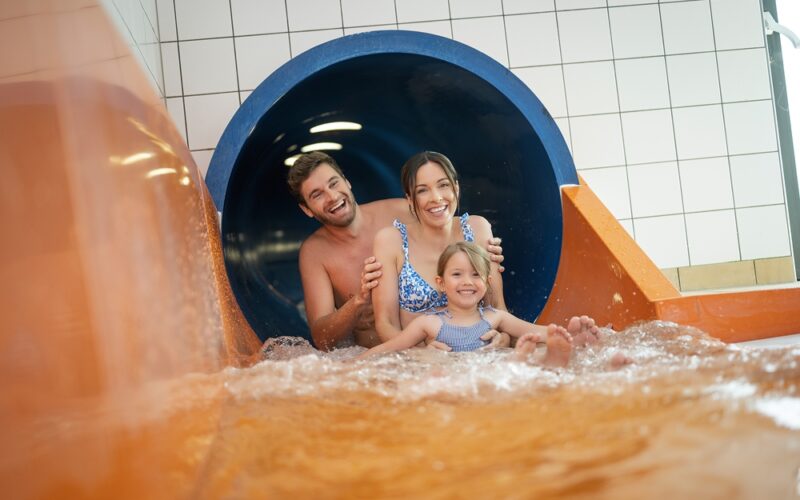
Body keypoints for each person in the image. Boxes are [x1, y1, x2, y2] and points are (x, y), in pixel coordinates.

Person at [371, 151, 601, 346]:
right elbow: (385, 323)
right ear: (410, 199)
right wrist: (419, 356)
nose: (436, 197)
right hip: (419, 358)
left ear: (456, 189)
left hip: (477, 350)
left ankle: (567, 339)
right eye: (423, 190)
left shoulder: (477, 228)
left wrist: (502, 339)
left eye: (443, 185)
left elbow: (497, 309)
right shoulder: (391, 241)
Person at [286, 151, 508, 351]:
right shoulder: (315, 253)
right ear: (306, 209)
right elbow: (323, 340)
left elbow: (443, 215)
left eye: (334, 184)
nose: (332, 196)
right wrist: (359, 301)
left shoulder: (400, 212)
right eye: (317, 195)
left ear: (347, 182)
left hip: (452, 344)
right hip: (385, 356)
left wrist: (482, 248)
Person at [357, 242, 573, 367]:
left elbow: (539, 333)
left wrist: (568, 335)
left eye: (476, 274)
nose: (467, 282)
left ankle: (543, 360)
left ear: (488, 282)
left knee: (513, 365)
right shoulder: (429, 324)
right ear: (441, 283)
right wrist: (342, 368)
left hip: (484, 379)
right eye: (457, 274)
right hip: (450, 381)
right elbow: (388, 350)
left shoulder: (496, 317)